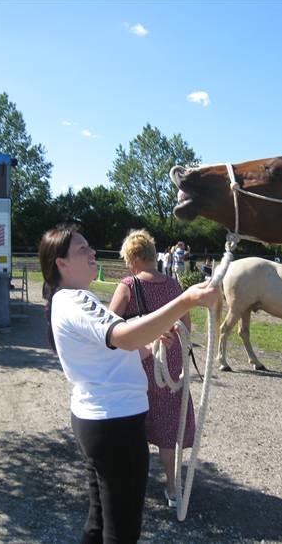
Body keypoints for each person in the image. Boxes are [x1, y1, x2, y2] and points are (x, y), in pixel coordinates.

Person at [39, 223, 218, 543]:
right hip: (115, 426)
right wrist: (186, 300)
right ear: (61, 264)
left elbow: (117, 352)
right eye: (82, 249)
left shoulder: (70, 300)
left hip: (101, 421)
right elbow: (121, 335)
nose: (92, 252)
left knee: (100, 523)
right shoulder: (76, 300)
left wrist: (150, 343)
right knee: (121, 532)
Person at [109, 229, 196, 508]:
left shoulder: (129, 285)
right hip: (169, 365)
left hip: (138, 362)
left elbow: (109, 326)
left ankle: (130, 485)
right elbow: (187, 327)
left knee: (133, 425)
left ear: (134, 257)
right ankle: (173, 488)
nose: (126, 264)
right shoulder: (173, 286)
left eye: (126, 259)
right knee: (168, 429)